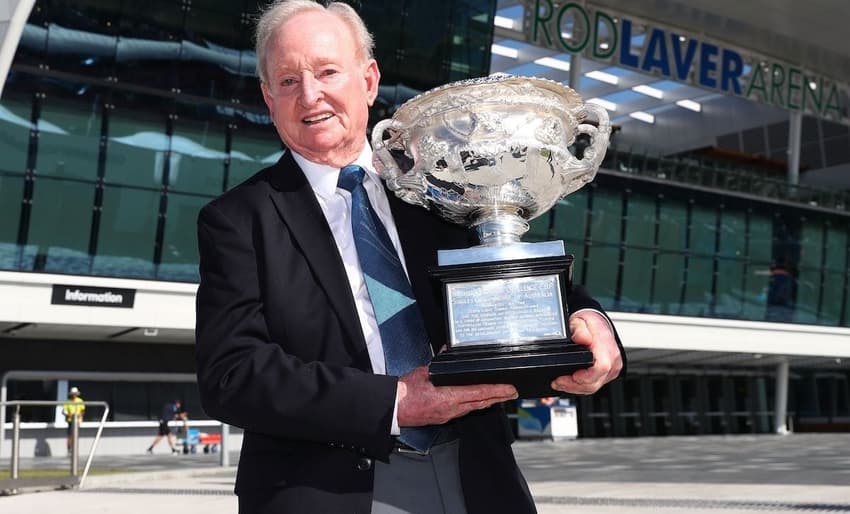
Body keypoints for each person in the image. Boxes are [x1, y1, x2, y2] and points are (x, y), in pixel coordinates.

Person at [194, 1, 626, 513]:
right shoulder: (238, 219)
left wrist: (589, 321)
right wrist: (394, 403)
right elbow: (233, 374)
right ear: (268, 97)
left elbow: (515, 271)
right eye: (288, 80)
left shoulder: (444, 186)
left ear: (369, 79)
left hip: (474, 476)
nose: (310, 94)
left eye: (328, 71)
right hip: (329, 489)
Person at [62, 386, 85, 454]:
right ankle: (69, 449)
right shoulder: (68, 401)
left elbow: (83, 410)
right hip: (70, 421)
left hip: (77, 421)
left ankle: (75, 449)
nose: (74, 395)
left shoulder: (80, 401)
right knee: (70, 435)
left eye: (75, 393)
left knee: (76, 435)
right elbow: (64, 411)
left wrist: (79, 415)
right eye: (73, 393)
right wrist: (69, 415)